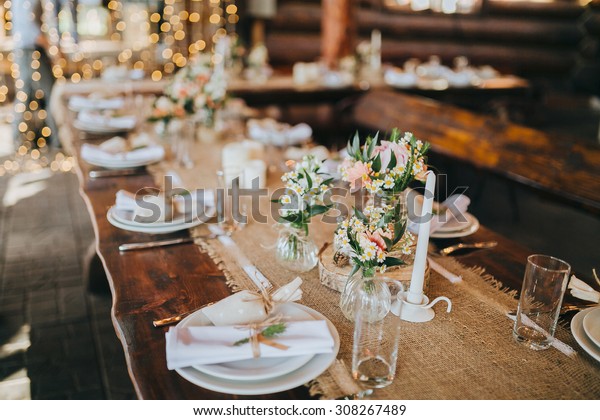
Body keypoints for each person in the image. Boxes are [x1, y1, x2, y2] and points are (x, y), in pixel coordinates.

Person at [12, 0, 62, 149]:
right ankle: (56, 142)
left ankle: (23, 140)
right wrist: (52, 49)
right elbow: (30, 29)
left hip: (30, 49)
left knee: (29, 95)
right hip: (30, 50)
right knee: (48, 94)